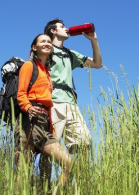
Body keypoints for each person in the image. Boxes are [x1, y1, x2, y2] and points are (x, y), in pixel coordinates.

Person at [39, 18, 102, 182]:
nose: (66, 28)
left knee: (85, 144)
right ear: (52, 31)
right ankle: (43, 187)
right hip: (52, 103)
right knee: (51, 148)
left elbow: (97, 64)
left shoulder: (69, 54)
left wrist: (93, 41)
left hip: (71, 105)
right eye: (61, 26)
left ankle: (61, 188)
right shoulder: (45, 48)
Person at [14, 33, 72, 188]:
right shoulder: (29, 66)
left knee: (69, 163)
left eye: (49, 41)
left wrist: (50, 126)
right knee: (23, 173)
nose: (47, 43)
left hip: (45, 125)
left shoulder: (47, 73)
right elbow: (21, 93)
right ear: (35, 47)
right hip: (29, 121)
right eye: (42, 41)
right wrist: (28, 108)